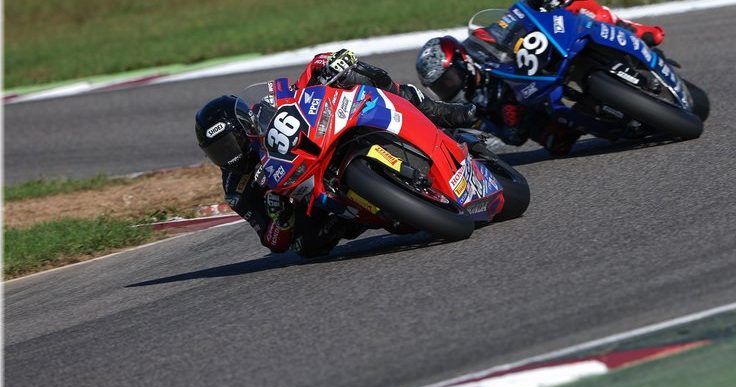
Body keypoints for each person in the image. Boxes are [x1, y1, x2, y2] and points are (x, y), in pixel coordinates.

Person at [195, 50, 479, 257]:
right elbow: (272, 241)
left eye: (229, 144)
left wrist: (326, 65)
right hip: (315, 205)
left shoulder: (264, 110)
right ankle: (370, 207)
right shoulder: (237, 189)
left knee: (362, 79)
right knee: (304, 247)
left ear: (244, 126)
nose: (228, 156)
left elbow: (298, 89)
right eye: (218, 152)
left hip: (319, 147)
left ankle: (440, 112)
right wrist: (280, 220)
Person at [415, 0, 665, 156]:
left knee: (574, 7)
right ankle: (611, 122)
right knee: (556, 143)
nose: (449, 88)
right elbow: (510, 136)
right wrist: (511, 123)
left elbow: (509, 23)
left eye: (449, 80)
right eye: (441, 87)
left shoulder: (481, 43)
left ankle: (632, 30)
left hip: (542, 62)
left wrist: (536, 6)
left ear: (462, 61)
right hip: (536, 103)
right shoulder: (468, 108)